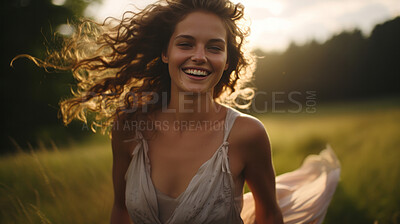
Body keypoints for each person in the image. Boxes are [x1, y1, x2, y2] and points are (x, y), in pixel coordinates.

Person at [15, 0, 340, 223]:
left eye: (214, 47)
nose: (200, 56)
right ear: (165, 53)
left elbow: (269, 216)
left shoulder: (246, 134)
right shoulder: (129, 128)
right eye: (186, 44)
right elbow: (120, 210)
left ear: (226, 62)